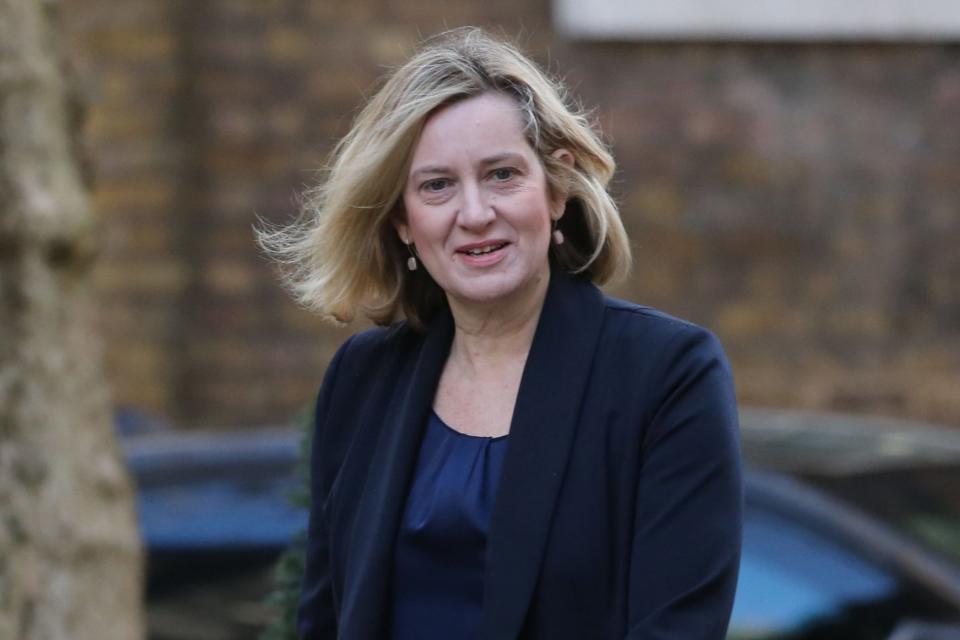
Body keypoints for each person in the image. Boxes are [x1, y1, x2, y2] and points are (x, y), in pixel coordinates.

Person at [260, 27, 742, 640]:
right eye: (437, 186)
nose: (475, 212)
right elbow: (323, 621)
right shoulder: (363, 379)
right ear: (404, 222)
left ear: (558, 187)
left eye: (502, 175)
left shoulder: (667, 374)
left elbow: (678, 628)